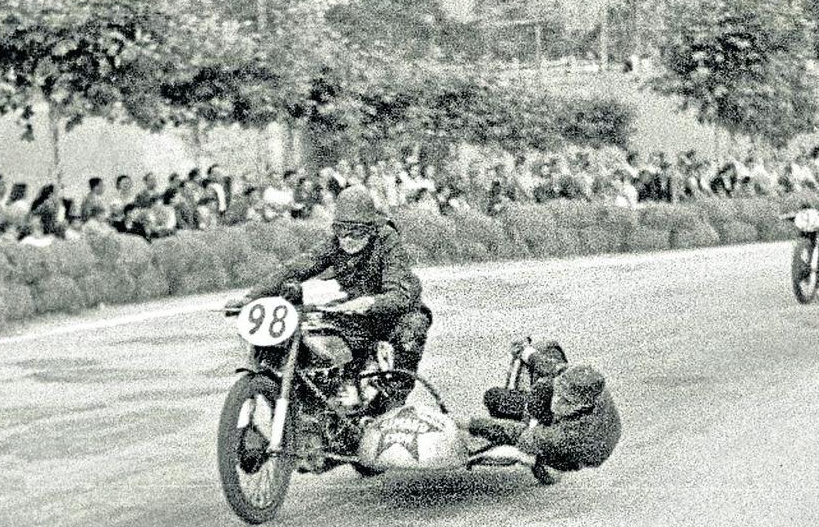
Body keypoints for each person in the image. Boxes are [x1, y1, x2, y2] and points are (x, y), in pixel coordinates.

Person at [225, 185, 432, 395]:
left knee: (412, 328)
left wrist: (370, 303)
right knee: (311, 327)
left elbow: (398, 293)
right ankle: (319, 390)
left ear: (371, 228)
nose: (348, 238)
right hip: (355, 308)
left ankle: (394, 396)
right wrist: (251, 298)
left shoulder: (387, 239)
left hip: (396, 312)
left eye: (357, 231)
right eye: (342, 230)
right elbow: (297, 267)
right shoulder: (335, 243)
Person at [465, 362, 622, 485]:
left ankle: (544, 465)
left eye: (565, 400)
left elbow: (520, 435)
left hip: (574, 454)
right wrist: (528, 353)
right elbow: (556, 368)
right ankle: (532, 417)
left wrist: (469, 425)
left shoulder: (565, 436)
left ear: (582, 405)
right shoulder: (592, 387)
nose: (556, 400)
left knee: (498, 405)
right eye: (558, 392)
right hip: (594, 428)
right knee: (541, 377)